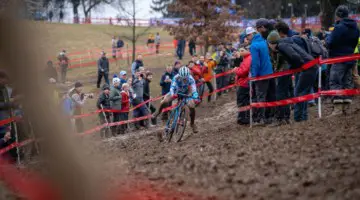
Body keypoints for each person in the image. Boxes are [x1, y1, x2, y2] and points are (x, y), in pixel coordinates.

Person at [267, 31, 317, 122]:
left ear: (271, 43)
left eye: (269, 44)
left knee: (299, 93)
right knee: (303, 93)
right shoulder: (286, 43)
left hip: (308, 67)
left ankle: (298, 119)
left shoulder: (282, 46)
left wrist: (295, 67)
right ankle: (303, 118)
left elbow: (295, 57)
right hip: (310, 66)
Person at [326, 5, 360, 116]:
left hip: (339, 58)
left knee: (335, 81)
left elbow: (330, 42)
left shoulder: (339, 27)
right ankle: (345, 108)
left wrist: (327, 40)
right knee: (347, 82)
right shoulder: (355, 27)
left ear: (338, 15)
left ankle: (337, 109)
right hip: (350, 58)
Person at [152, 66, 199, 135]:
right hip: (175, 92)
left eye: (186, 77)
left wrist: (195, 96)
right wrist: (173, 94)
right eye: (183, 77)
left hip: (186, 93)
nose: (184, 79)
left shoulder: (191, 79)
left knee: (192, 106)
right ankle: (157, 112)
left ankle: (192, 124)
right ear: (179, 75)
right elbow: (172, 87)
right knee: (165, 101)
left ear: (188, 75)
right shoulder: (176, 77)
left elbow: (194, 89)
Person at [251, 21, 275, 125]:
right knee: (270, 95)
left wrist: (254, 75)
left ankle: (260, 119)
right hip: (270, 72)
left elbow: (256, 62)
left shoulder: (254, 46)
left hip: (261, 75)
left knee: (261, 96)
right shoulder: (265, 42)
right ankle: (270, 117)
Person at [234, 48, 251, 125]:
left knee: (242, 101)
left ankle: (243, 118)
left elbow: (244, 71)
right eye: (240, 50)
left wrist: (236, 70)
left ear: (247, 50)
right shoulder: (245, 58)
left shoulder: (248, 58)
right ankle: (242, 117)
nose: (240, 52)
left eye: (242, 50)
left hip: (244, 83)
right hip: (243, 82)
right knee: (243, 101)